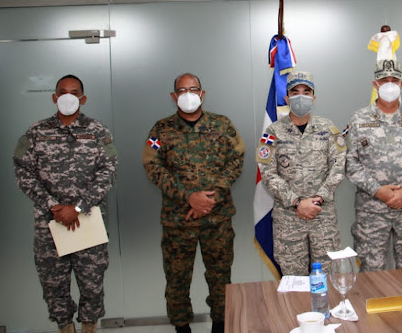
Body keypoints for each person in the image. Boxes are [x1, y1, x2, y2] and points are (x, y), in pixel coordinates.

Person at [13, 74, 118, 333]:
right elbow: (23, 171)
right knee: (54, 286)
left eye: (74, 92)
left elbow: (109, 171)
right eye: (62, 92)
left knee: (92, 285)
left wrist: (78, 207)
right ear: (54, 97)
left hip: (88, 223)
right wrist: (53, 206)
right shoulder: (36, 132)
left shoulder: (98, 130)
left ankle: (89, 328)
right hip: (51, 225)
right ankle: (65, 328)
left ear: (83, 98)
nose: (67, 97)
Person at [142, 73, 245, 333]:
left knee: (220, 278)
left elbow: (236, 160)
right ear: (173, 96)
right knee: (177, 280)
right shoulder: (161, 129)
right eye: (182, 90)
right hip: (178, 221)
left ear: (202, 93)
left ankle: (220, 326)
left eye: (193, 89)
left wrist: (212, 197)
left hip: (217, 218)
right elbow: (152, 166)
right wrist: (188, 197)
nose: (188, 94)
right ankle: (182, 329)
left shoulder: (222, 125)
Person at [345, 59, 402, 272]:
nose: (390, 84)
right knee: (372, 271)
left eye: (394, 80)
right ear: (375, 84)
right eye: (384, 80)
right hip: (372, 210)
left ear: (401, 84)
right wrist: (378, 190)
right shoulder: (358, 119)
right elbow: (349, 162)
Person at [256, 71, 346, 275]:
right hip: (289, 220)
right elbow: (267, 173)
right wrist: (297, 202)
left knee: (328, 278)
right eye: (295, 92)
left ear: (313, 97)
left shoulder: (328, 129)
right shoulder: (273, 132)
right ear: (287, 98)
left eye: (306, 92)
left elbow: (339, 166)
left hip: (323, 217)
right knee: (294, 282)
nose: (301, 97)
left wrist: (319, 199)